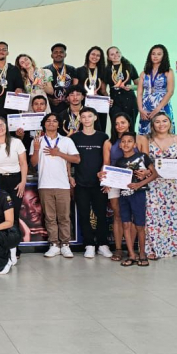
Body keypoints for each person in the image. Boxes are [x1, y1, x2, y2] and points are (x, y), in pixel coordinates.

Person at [31, 113, 80, 258]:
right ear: (44, 124)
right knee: (50, 217)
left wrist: (58, 153)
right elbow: (33, 164)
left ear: (59, 124)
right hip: (45, 184)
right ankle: (54, 244)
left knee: (64, 216)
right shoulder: (37, 141)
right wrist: (36, 149)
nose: (51, 123)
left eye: (54, 121)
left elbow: (76, 159)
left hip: (63, 184)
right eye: (48, 121)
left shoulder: (66, 141)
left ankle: (65, 244)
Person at [144, 112, 177, 259]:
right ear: (152, 125)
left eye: (165, 121)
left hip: (173, 186)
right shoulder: (147, 140)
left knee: (175, 216)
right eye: (157, 121)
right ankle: (153, 248)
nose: (161, 124)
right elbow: (145, 162)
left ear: (170, 123)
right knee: (153, 216)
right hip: (154, 184)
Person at [103, 113, 149, 261]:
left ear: (129, 123)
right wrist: (106, 181)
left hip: (135, 183)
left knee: (134, 218)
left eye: (122, 122)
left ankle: (132, 250)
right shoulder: (109, 142)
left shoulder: (140, 139)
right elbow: (107, 163)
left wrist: (145, 174)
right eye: (116, 123)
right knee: (118, 216)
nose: (119, 126)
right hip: (116, 181)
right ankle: (118, 249)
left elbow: (146, 161)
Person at [109, 132, 157, 267]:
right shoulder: (119, 162)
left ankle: (142, 253)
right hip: (124, 196)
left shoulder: (142, 157)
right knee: (125, 224)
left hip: (139, 194)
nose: (126, 144)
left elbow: (154, 174)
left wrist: (138, 185)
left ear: (135, 144)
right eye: (123, 142)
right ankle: (131, 254)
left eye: (129, 141)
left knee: (140, 225)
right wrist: (107, 181)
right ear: (119, 145)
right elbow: (116, 179)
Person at [70, 108, 112, 258]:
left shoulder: (103, 137)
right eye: (83, 117)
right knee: (83, 214)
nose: (86, 119)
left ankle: (102, 244)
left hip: (99, 184)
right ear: (80, 119)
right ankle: (88, 244)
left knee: (101, 214)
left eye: (89, 116)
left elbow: (107, 160)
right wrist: (70, 176)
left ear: (95, 118)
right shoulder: (75, 138)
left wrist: (107, 179)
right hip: (81, 183)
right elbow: (69, 159)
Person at [0, 116, 28, 201]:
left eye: (1, 125)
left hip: (15, 180)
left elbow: (23, 163)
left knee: (15, 210)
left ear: (6, 126)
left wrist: (23, 182)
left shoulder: (17, 142)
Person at [137, 44, 175, 135]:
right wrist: (140, 109)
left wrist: (158, 109)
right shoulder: (143, 73)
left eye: (159, 54)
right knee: (145, 134)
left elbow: (170, 92)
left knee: (163, 131)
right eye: (153, 54)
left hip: (162, 105)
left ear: (164, 56)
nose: (155, 56)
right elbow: (139, 93)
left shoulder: (168, 71)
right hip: (146, 106)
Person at [73, 46, 108, 131]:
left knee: (100, 128)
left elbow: (103, 91)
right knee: (83, 127)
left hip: (99, 103)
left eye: (98, 55)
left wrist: (108, 99)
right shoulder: (79, 70)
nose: (95, 57)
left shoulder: (103, 71)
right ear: (88, 55)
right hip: (84, 103)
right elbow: (75, 89)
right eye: (93, 54)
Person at [105, 46, 139, 132]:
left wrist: (131, 87)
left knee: (130, 126)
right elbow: (102, 89)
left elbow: (139, 85)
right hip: (115, 102)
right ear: (109, 57)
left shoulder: (129, 66)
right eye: (112, 54)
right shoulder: (106, 70)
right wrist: (107, 99)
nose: (115, 55)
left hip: (130, 100)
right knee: (117, 128)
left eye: (117, 52)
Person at [44, 43, 78, 115]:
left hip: (68, 105)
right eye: (56, 52)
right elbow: (41, 89)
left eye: (61, 52)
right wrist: (50, 100)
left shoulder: (72, 69)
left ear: (65, 55)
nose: (58, 54)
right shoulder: (45, 70)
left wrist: (70, 98)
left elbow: (76, 87)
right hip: (51, 106)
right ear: (51, 55)